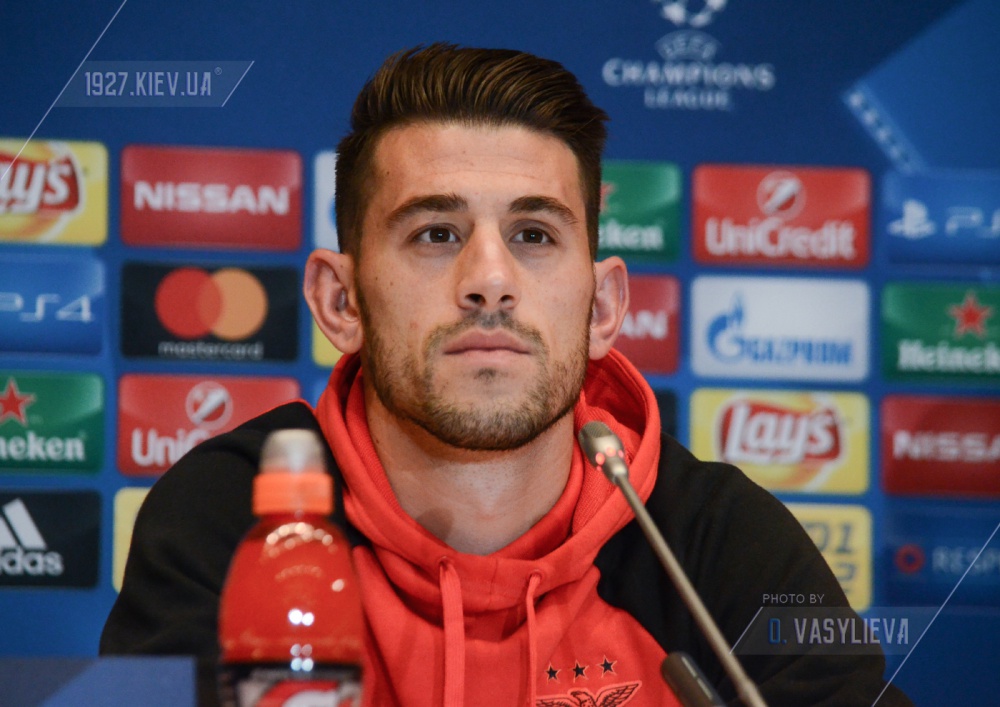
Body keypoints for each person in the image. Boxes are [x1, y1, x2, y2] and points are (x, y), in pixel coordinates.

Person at [101, 44, 911, 706]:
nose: (489, 280)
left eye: (533, 234)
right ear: (341, 301)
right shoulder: (238, 517)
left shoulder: (714, 540)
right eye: (435, 233)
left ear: (602, 306)